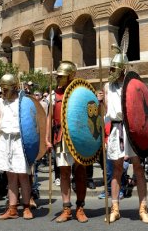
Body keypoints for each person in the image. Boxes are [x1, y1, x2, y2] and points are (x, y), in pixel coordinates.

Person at [103, 48, 148, 223]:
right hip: (117, 130)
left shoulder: (134, 86)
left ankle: (143, 208)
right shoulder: (107, 86)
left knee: (138, 169)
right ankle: (115, 208)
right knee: (116, 170)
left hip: (133, 130)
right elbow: (107, 114)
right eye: (111, 68)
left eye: (114, 68)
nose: (111, 72)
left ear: (123, 69)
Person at [0, 74, 34, 220]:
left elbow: (31, 125)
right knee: (10, 176)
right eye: (3, 89)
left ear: (14, 87)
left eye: (6, 89)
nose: (4, 92)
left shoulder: (23, 102)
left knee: (23, 175)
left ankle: (26, 207)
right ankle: (12, 209)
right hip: (5, 140)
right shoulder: (1, 103)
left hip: (19, 141)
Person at [46, 61, 89, 223]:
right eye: (57, 76)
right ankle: (66, 209)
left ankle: (80, 207)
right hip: (61, 138)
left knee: (80, 173)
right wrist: (46, 138)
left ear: (71, 76)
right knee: (64, 173)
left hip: (78, 138)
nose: (58, 79)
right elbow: (49, 117)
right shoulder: (53, 95)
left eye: (62, 76)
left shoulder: (81, 93)